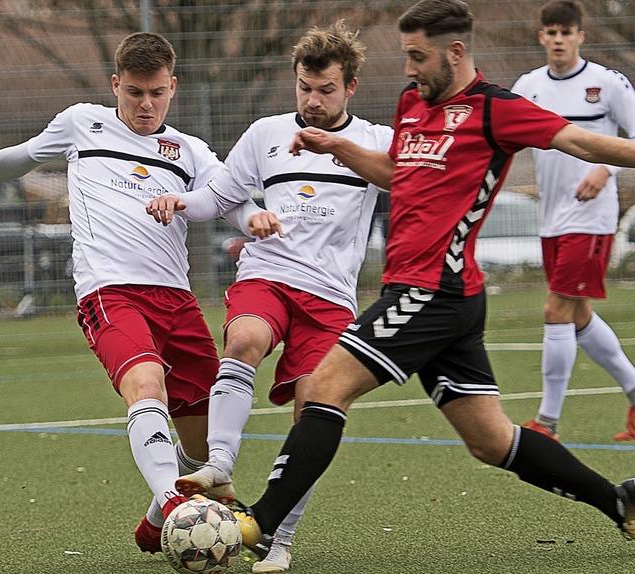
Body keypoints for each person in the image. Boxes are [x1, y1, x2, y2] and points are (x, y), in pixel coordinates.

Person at [220, 0, 635, 557]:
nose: (410, 68)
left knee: (321, 387)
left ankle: (262, 524)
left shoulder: (497, 109)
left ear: (455, 51)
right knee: (492, 442)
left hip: (432, 290)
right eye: (406, 55)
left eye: (418, 57)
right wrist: (339, 146)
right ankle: (621, 502)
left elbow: (583, 142)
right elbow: (396, 174)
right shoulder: (413, 103)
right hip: (436, 295)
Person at [0, 32, 279, 555]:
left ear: (173, 86)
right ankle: (175, 509)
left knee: (202, 444)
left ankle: (156, 523)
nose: (145, 105)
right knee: (146, 385)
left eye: (155, 93)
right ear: (114, 86)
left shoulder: (190, 149)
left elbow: (226, 197)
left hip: (177, 300)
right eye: (133, 93)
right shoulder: (81, 122)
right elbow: (22, 157)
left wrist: (253, 213)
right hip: (110, 292)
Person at [146, 20, 393, 572]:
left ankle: (277, 537)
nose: (313, 100)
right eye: (305, 88)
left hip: (329, 297)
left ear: (350, 87)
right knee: (245, 338)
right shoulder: (266, 133)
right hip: (268, 276)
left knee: (315, 403)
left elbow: (414, 181)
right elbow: (218, 196)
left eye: (326, 90)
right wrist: (180, 201)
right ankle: (220, 464)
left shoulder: (375, 142)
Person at [511, 0, 635, 442]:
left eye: (567, 32)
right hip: (552, 219)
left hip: (592, 218)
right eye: (551, 32)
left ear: (581, 35)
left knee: (556, 309)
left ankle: (546, 423)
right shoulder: (527, 87)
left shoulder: (606, 82)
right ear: (541, 37)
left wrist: (605, 170)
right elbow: (506, 138)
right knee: (578, 316)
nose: (559, 40)